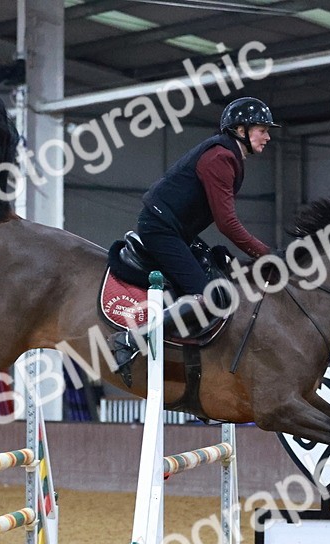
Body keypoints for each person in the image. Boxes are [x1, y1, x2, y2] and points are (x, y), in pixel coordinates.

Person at [109, 96, 279, 378]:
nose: (268, 136)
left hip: (175, 229)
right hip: (160, 228)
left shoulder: (230, 155)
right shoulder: (220, 158)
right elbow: (227, 223)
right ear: (240, 130)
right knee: (206, 297)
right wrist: (266, 253)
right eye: (262, 130)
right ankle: (129, 339)